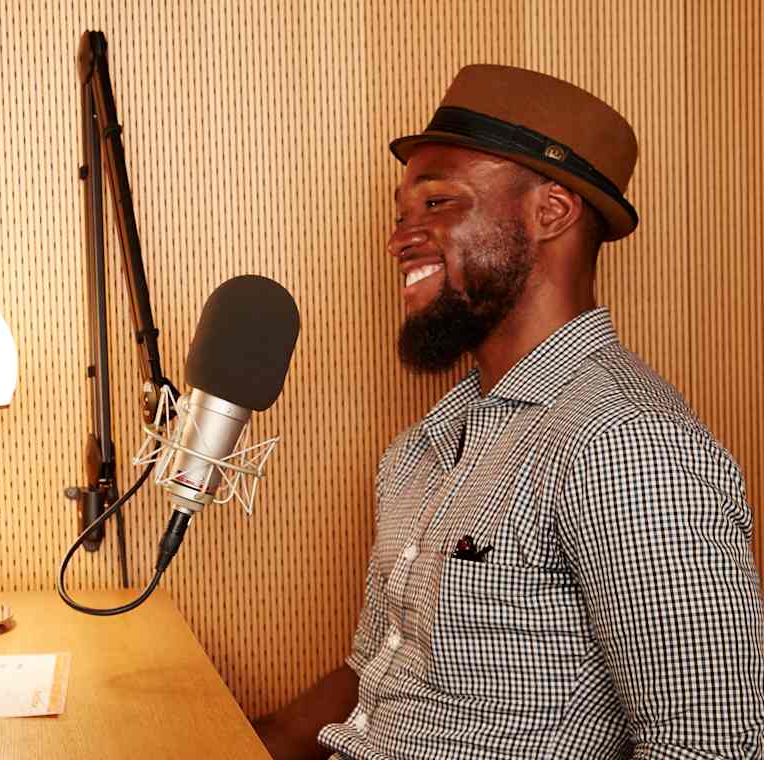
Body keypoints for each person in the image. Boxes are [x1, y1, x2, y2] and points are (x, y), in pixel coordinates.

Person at [257, 65, 764, 758]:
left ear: (550, 212)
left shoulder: (626, 445)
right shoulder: (423, 448)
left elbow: (709, 742)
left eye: (438, 203)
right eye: (401, 215)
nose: (399, 239)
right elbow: (375, 675)